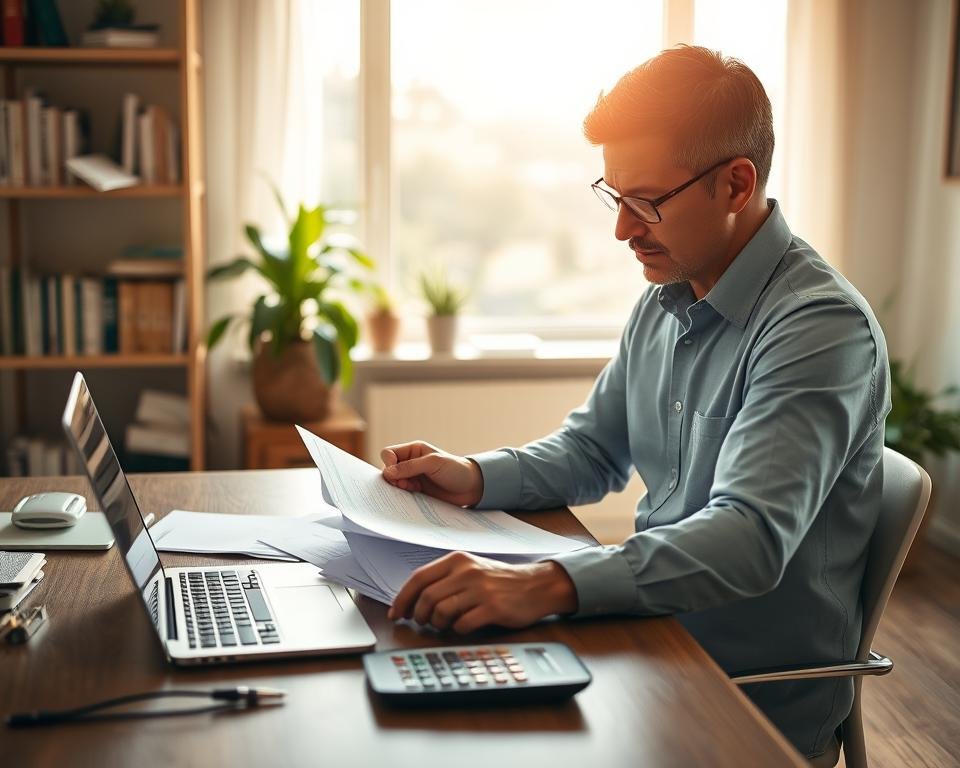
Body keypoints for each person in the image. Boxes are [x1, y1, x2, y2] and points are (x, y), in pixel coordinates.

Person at [380, 45, 890, 762]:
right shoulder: (666, 299)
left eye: (646, 201)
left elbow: (748, 539)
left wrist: (546, 584)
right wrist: (473, 473)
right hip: (644, 638)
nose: (622, 229)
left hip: (741, 697)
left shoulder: (818, 330)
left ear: (736, 184)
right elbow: (592, 450)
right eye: (614, 196)